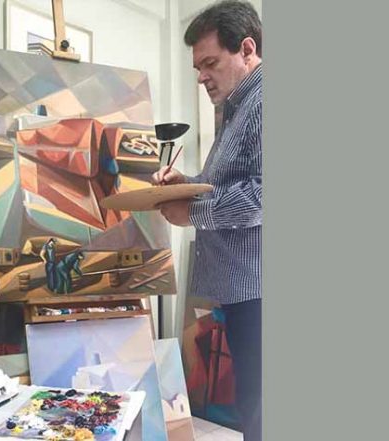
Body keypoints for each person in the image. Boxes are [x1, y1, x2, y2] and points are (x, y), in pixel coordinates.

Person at [153, 2, 262, 440]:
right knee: (254, 407)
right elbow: (230, 185)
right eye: (198, 67)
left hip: (259, 292)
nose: (201, 76)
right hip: (244, 291)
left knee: (261, 411)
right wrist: (186, 185)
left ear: (247, 49)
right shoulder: (237, 109)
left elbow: (264, 195)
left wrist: (192, 211)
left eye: (210, 63)